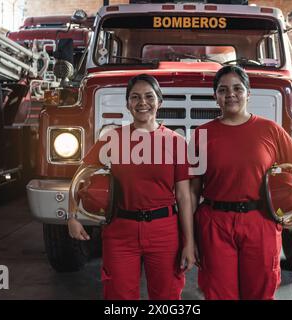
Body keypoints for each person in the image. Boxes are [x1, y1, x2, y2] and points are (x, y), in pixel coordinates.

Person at [189, 65, 292, 300]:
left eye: (238, 88)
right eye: (223, 90)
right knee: (218, 293)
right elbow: (192, 190)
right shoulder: (201, 134)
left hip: (260, 221)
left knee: (260, 292)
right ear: (215, 96)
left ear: (249, 93)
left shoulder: (270, 130)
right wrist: (190, 238)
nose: (230, 94)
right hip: (215, 223)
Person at [68, 74, 196, 300]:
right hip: (120, 231)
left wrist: (189, 241)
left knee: (166, 297)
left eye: (149, 96)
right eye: (135, 97)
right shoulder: (113, 139)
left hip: (164, 231)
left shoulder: (176, 142)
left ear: (160, 101)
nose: (142, 102)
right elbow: (81, 174)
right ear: (128, 104)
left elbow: (184, 196)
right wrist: (72, 216)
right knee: (119, 297)